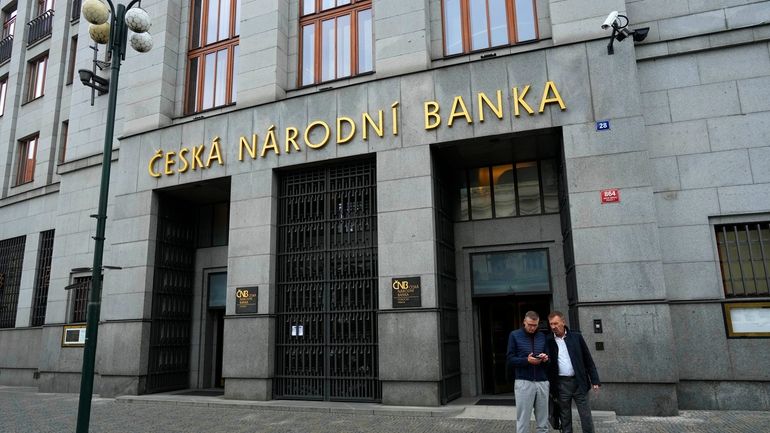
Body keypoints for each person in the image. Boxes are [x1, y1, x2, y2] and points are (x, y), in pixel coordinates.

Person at [545, 311, 601, 433]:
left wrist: (595, 380)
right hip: (561, 384)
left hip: (579, 382)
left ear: (563, 322)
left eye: (556, 323)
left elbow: (588, 359)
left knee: (586, 416)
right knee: (565, 417)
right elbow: (548, 364)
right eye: (551, 324)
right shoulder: (548, 340)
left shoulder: (576, 336)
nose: (553, 326)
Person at [506, 311, 550, 433]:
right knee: (523, 421)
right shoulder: (514, 335)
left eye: (535, 325)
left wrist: (545, 358)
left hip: (542, 382)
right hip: (523, 382)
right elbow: (510, 359)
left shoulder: (542, 336)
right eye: (530, 324)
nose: (532, 328)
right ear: (524, 322)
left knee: (543, 422)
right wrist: (527, 360)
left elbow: (549, 357)